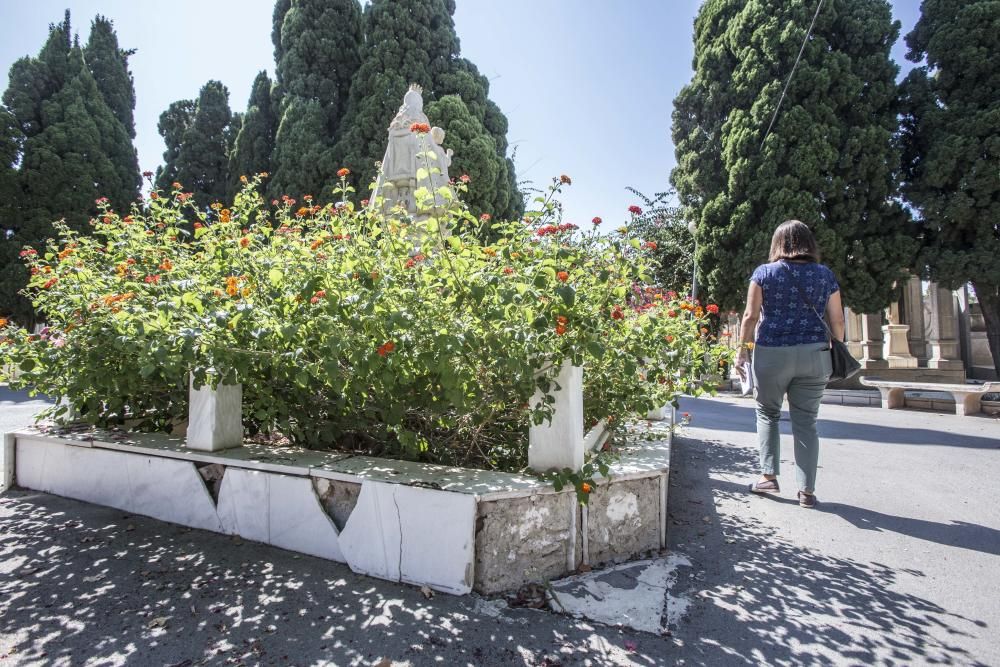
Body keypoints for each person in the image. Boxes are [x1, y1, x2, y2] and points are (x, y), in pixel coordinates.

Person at [735, 220, 845, 508]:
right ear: (809, 243)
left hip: (772, 352)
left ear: (777, 243)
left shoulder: (764, 273)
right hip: (815, 354)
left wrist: (742, 351)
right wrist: (835, 348)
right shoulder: (825, 275)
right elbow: (838, 320)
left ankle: (768, 476)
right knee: (806, 421)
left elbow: (750, 316)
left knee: (768, 413)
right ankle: (807, 492)